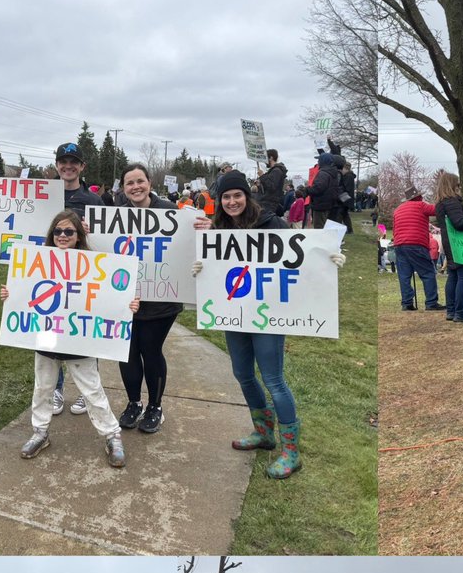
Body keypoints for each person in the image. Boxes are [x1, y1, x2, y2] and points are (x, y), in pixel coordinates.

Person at [192, 172, 343, 478]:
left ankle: (291, 452)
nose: (232, 201)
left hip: (268, 314)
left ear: (247, 196)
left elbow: (300, 260)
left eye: (237, 195)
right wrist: (201, 268)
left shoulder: (272, 224)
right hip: (234, 311)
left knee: (273, 379)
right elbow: (215, 268)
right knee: (243, 374)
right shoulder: (219, 229)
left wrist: (329, 259)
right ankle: (264, 432)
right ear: (220, 201)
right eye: (226, 197)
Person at [6, 208, 134, 467]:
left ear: (78, 236)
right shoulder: (35, 263)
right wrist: (11, 296)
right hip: (47, 337)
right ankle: (40, 432)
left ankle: (112, 435)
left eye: (69, 231)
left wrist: (127, 306)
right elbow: (26, 294)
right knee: (43, 387)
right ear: (51, 234)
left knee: (92, 390)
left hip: (80, 341)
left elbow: (109, 297)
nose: (62, 235)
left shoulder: (94, 264)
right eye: (58, 231)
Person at [113, 162, 181, 436]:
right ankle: (133, 403)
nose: (135, 187)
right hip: (126, 298)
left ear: (149, 183)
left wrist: (200, 229)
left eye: (140, 181)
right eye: (130, 183)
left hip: (161, 299)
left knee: (150, 351)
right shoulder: (116, 216)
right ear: (124, 187)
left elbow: (185, 247)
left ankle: (155, 407)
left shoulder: (171, 213)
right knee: (127, 352)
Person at [50, 141, 105, 416]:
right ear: (57, 165)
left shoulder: (94, 201)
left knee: (86, 329)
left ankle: (86, 391)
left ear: (82, 167)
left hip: (83, 276)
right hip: (48, 275)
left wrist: (89, 232)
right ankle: (57, 389)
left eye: (74, 162)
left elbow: (105, 243)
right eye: (63, 161)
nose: (68, 166)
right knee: (52, 331)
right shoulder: (43, 196)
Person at [432, 171, 463, 324]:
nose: (460, 186)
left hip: (448, 242)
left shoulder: (440, 203)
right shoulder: (452, 202)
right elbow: (459, 223)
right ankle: (460, 312)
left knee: (453, 275)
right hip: (458, 244)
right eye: (457, 183)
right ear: (452, 185)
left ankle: (451, 311)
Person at [391, 188, 441, 311]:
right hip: (416, 244)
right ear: (418, 197)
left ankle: (407, 303)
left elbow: (394, 229)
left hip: (399, 244)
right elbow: (437, 210)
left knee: (404, 275)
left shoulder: (398, 209)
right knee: (428, 273)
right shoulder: (421, 206)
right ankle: (431, 302)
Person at [258, 149, 288, 216]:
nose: (265, 162)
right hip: (269, 203)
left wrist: (262, 176)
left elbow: (272, 186)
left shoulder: (276, 171)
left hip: (270, 204)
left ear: (271, 158)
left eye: (265, 158)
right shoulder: (273, 171)